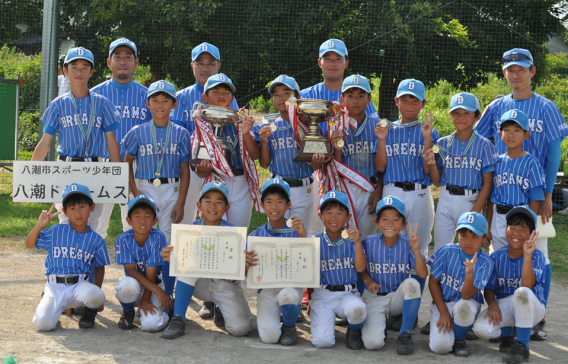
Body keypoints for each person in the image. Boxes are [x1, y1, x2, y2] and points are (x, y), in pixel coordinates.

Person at [474, 48, 568, 338]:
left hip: (534, 196)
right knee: (500, 257)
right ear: (504, 73)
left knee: (539, 255)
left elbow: (554, 156)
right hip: (502, 193)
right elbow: (477, 139)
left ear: (532, 72)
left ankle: (536, 318)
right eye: (511, 70)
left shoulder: (547, 107)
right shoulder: (497, 106)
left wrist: (549, 195)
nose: (516, 75)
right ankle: (503, 311)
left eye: (522, 69)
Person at [32, 47, 121, 235]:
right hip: (66, 168)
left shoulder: (103, 103)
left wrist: (118, 174)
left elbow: (111, 142)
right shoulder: (58, 104)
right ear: (65, 71)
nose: (79, 72)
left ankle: (88, 265)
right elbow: (45, 143)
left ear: (91, 72)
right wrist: (28, 175)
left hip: (96, 168)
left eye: (84, 67)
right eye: (74, 67)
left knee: (93, 223)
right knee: (66, 220)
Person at [374, 79, 437, 326]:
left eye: (415, 100)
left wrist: (428, 138)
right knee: (391, 248)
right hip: (392, 190)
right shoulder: (386, 128)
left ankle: (408, 312)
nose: (409, 104)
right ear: (396, 101)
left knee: (418, 249)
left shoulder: (429, 129)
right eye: (405, 99)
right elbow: (380, 167)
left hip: (420, 192)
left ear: (422, 103)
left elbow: (428, 168)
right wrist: (381, 140)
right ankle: (392, 308)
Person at [301, 39, 379, 238]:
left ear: (346, 62)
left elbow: (371, 133)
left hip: (356, 174)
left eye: (338, 58)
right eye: (328, 59)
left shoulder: (361, 97)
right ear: (320, 62)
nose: (333, 63)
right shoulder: (306, 95)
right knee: (319, 232)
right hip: (317, 174)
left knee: (358, 237)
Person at [122, 80, 191, 299]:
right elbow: (127, 164)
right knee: (139, 235)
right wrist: (135, 193)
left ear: (174, 104)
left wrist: (181, 202)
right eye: (155, 100)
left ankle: (166, 293)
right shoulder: (137, 131)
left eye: (165, 100)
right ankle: (137, 291)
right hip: (144, 186)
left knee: (169, 241)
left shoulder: (181, 133)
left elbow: (185, 170)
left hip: (172, 187)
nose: (160, 105)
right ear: (147, 103)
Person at [161, 182, 252, 339]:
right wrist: (171, 257)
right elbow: (178, 262)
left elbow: (243, 273)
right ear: (199, 205)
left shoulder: (235, 234)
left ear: (227, 208)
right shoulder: (189, 232)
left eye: (219, 202)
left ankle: (221, 308)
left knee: (240, 329)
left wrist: (246, 266)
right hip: (199, 285)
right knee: (186, 263)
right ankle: (178, 318)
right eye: (208, 201)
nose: (213, 206)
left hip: (225, 286)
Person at [26, 183, 109, 331]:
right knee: (43, 325)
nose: (78, 213)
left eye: (82, 207)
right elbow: (29, 244)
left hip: (79, 287)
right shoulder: (56, 231)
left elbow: (100, 266)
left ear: (92, 207)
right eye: (72, 208)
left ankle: (89, 314)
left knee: (96, 294)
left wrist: (97, 298)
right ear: (64, 211)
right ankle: (51, 308)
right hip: (55, 287)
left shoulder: (96, 240)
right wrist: (39, 225)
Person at [92, 37, 151, 238]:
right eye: (118, 57)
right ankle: (90, 268)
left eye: (128, 57)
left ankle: (135, 268)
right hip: (102, 165)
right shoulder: (93, 95)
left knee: (138, 223)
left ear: (136, 62)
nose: (123, 61)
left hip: (137, 166)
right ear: (109, 63)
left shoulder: (149, 96)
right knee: (96, 224)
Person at [425, 92, 498, 251]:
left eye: (467, 113)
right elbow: (437, 182)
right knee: (440, 248)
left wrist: (475, 212)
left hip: (470, 199)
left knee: (470, 249)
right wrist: (431, 164)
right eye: (456, 113)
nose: (461, 117)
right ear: (450, 115)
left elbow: (487, 184)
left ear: (477, 116)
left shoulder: (485, 145)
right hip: (445, 198)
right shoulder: (442, 143)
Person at [473, 206, 545, 364]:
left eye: (523, 228)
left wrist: (527, 255)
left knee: (522, 293)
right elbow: (490, 289)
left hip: (533, 307)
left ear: (532, 234)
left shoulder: (537, 255)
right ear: (505, 230)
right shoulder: (496, 256)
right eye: (512, 227)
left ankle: (522, 346)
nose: (516, 233)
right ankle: (508, 333)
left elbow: (527, 285)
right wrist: (492, 305)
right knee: (481, 329)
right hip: (505, 305)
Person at [359, 196, 427, 354]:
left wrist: (416, 249)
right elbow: (360, 267)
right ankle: (378, 325)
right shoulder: (369, 242)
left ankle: (405, 333)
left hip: (398, 298)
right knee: (373, 344)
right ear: (376, 223)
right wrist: (368, 280)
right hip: (375, 297)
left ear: (404, 224)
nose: (390, 224)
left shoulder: (407, 243)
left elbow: (423, 274)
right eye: (384, 219)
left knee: (412, 284)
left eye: (396, 219)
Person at [192, 73, 260, 229]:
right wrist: (202, 170)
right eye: (215, 92)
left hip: (240, 182)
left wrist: (245, 133)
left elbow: (255, 156)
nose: (221, 96)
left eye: (226, 93)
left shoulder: (242, 119)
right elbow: (199, 171)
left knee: (238, 234)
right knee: (212, 233)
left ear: (232, 98)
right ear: (205, 97)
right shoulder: (201, 124)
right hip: (212, 183)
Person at [245, 178, 306, 345]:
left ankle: (289, 326)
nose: (274, 206)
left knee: (288, 295)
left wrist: (302, 237)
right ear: (262, 205)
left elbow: (307, 266)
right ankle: (273, 322)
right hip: (266, 290)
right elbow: (245, 273)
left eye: (280, 201)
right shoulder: (254, 236)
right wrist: (245, 264)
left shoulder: (297, 231)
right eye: (269, 201)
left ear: (288, 205)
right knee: (269, 337)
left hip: (290, 286)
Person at [322, 75, 383, 238]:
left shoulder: (377, 126)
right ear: (342, 99)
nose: (355, 101)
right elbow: (335, 167)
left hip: (370, 188)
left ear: (369, 99)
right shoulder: (335, 125)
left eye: (361, 96)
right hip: (344, 187)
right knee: (345, 237)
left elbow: (384, 166)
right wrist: (336, 149)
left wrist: (379, 191)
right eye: (350, 96)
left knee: (366, 238)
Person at [427, 212, 494, 356]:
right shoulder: (446, 251)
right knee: (441, 348)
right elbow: (432, 282)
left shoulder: (486, 262)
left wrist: (469, 274)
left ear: (484, 238)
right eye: (464, 235)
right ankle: (448, 329)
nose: (468, 241)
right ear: (457, 234)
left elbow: (466, 295)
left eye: (474, 237)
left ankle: (460, 340)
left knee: (464, 306)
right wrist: (443, 312)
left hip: (466, 305)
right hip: (442, 304)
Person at [258, 75, 318, 233]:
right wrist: (264, 142)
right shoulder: (270, 126)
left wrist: (318, 159)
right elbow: (264, 164)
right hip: (279, 189)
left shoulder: (308, 124)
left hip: (304, 188)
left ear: (297, 97)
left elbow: (315, 164)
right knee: (278, 234)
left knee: (299, 235)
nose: (281, 98)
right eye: (276, 94)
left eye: (286, 93)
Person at [308, 190, 367, 349]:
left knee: (358, 309)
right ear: (320, 216)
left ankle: (353, 331)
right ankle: (323, 320)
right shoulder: (314, 241)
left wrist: (357, 243)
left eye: (340, 213)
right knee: (323, 342)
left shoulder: (352, 240)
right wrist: (311, 300)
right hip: (322, 295)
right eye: (328, 212)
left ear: (348, 217)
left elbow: (361, 268)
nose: (334, 218)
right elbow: (309, 275)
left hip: (348, 294)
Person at [487, 109, 544, 252]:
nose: (511, 134)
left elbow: (535, 199)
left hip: (521, 218)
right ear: (500, 134)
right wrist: (487, 227)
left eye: (517, 130)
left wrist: (531, 226)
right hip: (498, 217)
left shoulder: (532, 163)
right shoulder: (496, 161)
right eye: (506, 129)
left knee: (519, 259)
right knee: (497, 258)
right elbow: (491, 199)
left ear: (526, 135)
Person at [114, 194, 171, 332]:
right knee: (125, 285)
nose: (142, 220)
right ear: (128, 220)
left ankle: (167, 311)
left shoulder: (158, 237)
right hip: (136, 287)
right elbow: (132, 271)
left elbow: (152, 271)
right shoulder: (123, 239)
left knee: (150, 325)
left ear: (155, 220)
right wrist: (152, 294)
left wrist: (151, 295)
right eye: (137, 216)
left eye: (147, 216)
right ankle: (128, 312)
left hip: (154, 286)